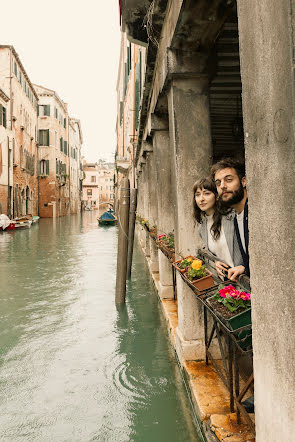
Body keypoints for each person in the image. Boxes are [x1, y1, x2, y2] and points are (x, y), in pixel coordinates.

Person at [193, 177, 244, 278]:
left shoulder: (232, 217)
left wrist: (244, 266)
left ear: (216, 196)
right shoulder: (202, 228)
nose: (201, 199)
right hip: (226, 283)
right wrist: (216, 261)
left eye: (206, 193)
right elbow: (214, 252)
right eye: (198, 195)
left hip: (245, 281)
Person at [211, 158, 249, 281]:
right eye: (218, 183)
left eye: (229, 180)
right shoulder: (236, 217)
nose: (222, 186)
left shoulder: (256, 213)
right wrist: (244, 267)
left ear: (243, 181)